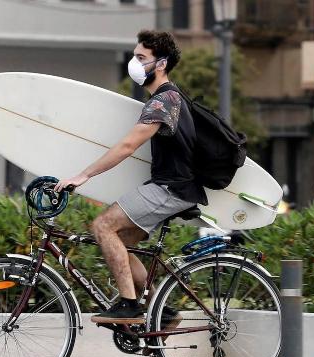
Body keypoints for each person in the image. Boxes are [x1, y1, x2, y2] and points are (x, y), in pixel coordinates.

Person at [55, 30, 207, 324]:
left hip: (170, 188)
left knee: (102, 225)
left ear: (160, 64)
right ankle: (161, 309)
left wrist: (83, 175)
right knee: (119, 241)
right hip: (173, 187)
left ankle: (129, 304)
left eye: (141, 58)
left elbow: (128, 146)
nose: (134, 63)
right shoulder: (170, 98)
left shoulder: (164, 101)